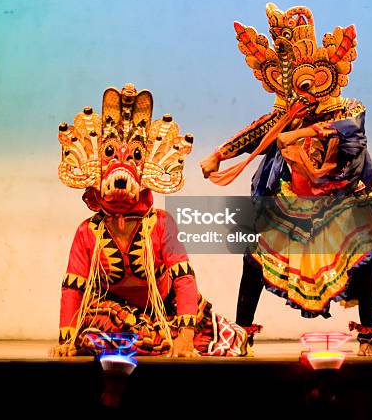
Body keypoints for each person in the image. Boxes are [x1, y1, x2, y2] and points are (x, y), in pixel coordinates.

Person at [201, 3, 372, 356]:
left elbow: (353, 134)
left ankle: (368, 337)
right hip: (291, 202)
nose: (301, 90)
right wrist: (219, 154)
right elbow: (260, 133)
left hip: (341, 198)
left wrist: (302, 134)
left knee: (362, 256)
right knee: (254, 258)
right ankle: (242, 334)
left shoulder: (347, 108)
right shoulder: (287, 113)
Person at [50, 83, 248, 358]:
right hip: (112, 312)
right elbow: (74, 286)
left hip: (165, 310)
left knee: (217, 339)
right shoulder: (88, 231)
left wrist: (186, 337)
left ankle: (165, 338)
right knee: (95, 338)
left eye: (134, 157)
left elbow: (184, 278)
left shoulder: (161, 223)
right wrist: (66, 340)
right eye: (110, 156)